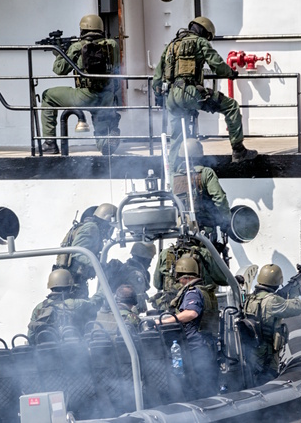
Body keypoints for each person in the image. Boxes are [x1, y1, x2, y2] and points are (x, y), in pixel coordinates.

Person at [151, 16, 257, 166]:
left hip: (171, 99)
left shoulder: (171, 45)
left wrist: (158, 96)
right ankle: (239, 151)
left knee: (176, 137)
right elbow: (217, 64)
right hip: (190, 94)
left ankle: (174, 170)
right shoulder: (200, 42)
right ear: (204, 31)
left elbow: (156, 78)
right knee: (231, 106)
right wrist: (230, 73)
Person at [41, 14, 121, 156]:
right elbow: (116, 70)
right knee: (102, 137)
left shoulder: (77, 46)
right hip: (106, 96)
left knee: (48, 96)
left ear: (83, 29)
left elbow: (59, 70)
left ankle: (50, 143)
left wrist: (59, 52)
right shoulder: (112, 45)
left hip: (85, 95)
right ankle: (106, 142)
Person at [155, 256, 220, 399]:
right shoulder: (205, 291)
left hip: (195, 346)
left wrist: (163, 322)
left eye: (179, 278)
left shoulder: (192, 292)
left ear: (185, 277)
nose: (179, 282)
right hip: (205, 343)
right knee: (207, 383)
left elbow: (191, 313)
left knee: (196, 385)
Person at [243, 264, 301, 384]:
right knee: (267, 382)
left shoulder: (251, 298)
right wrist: (294, 293)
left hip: (253, 352)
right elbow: (297, 308)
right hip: (267, 355)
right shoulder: (272, 301)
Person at [173, 137, 232, 250]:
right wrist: (226, 219)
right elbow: (219, 198)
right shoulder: (206, 173)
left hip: (183, 232)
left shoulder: (175, 177)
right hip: (205, 229)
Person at [54, 203, 118, 298]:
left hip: (69, 281)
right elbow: (77, 252)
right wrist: (99, 265)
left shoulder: (87, 227)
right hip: (73, 282)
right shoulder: (92, 228)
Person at [27, 269, 100, 344]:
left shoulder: (40, 307)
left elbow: (31, 335)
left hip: (46, 348)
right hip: (71, 347)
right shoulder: (76, 304)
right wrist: (104, 284)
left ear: (51, 287)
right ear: (70, 287)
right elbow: (95, 303)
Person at [98, 240, 156, 313]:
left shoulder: (125, 268)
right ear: (147, 259)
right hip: (124, 314)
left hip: (114, 311)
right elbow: (135, 303)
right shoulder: (136, 275)